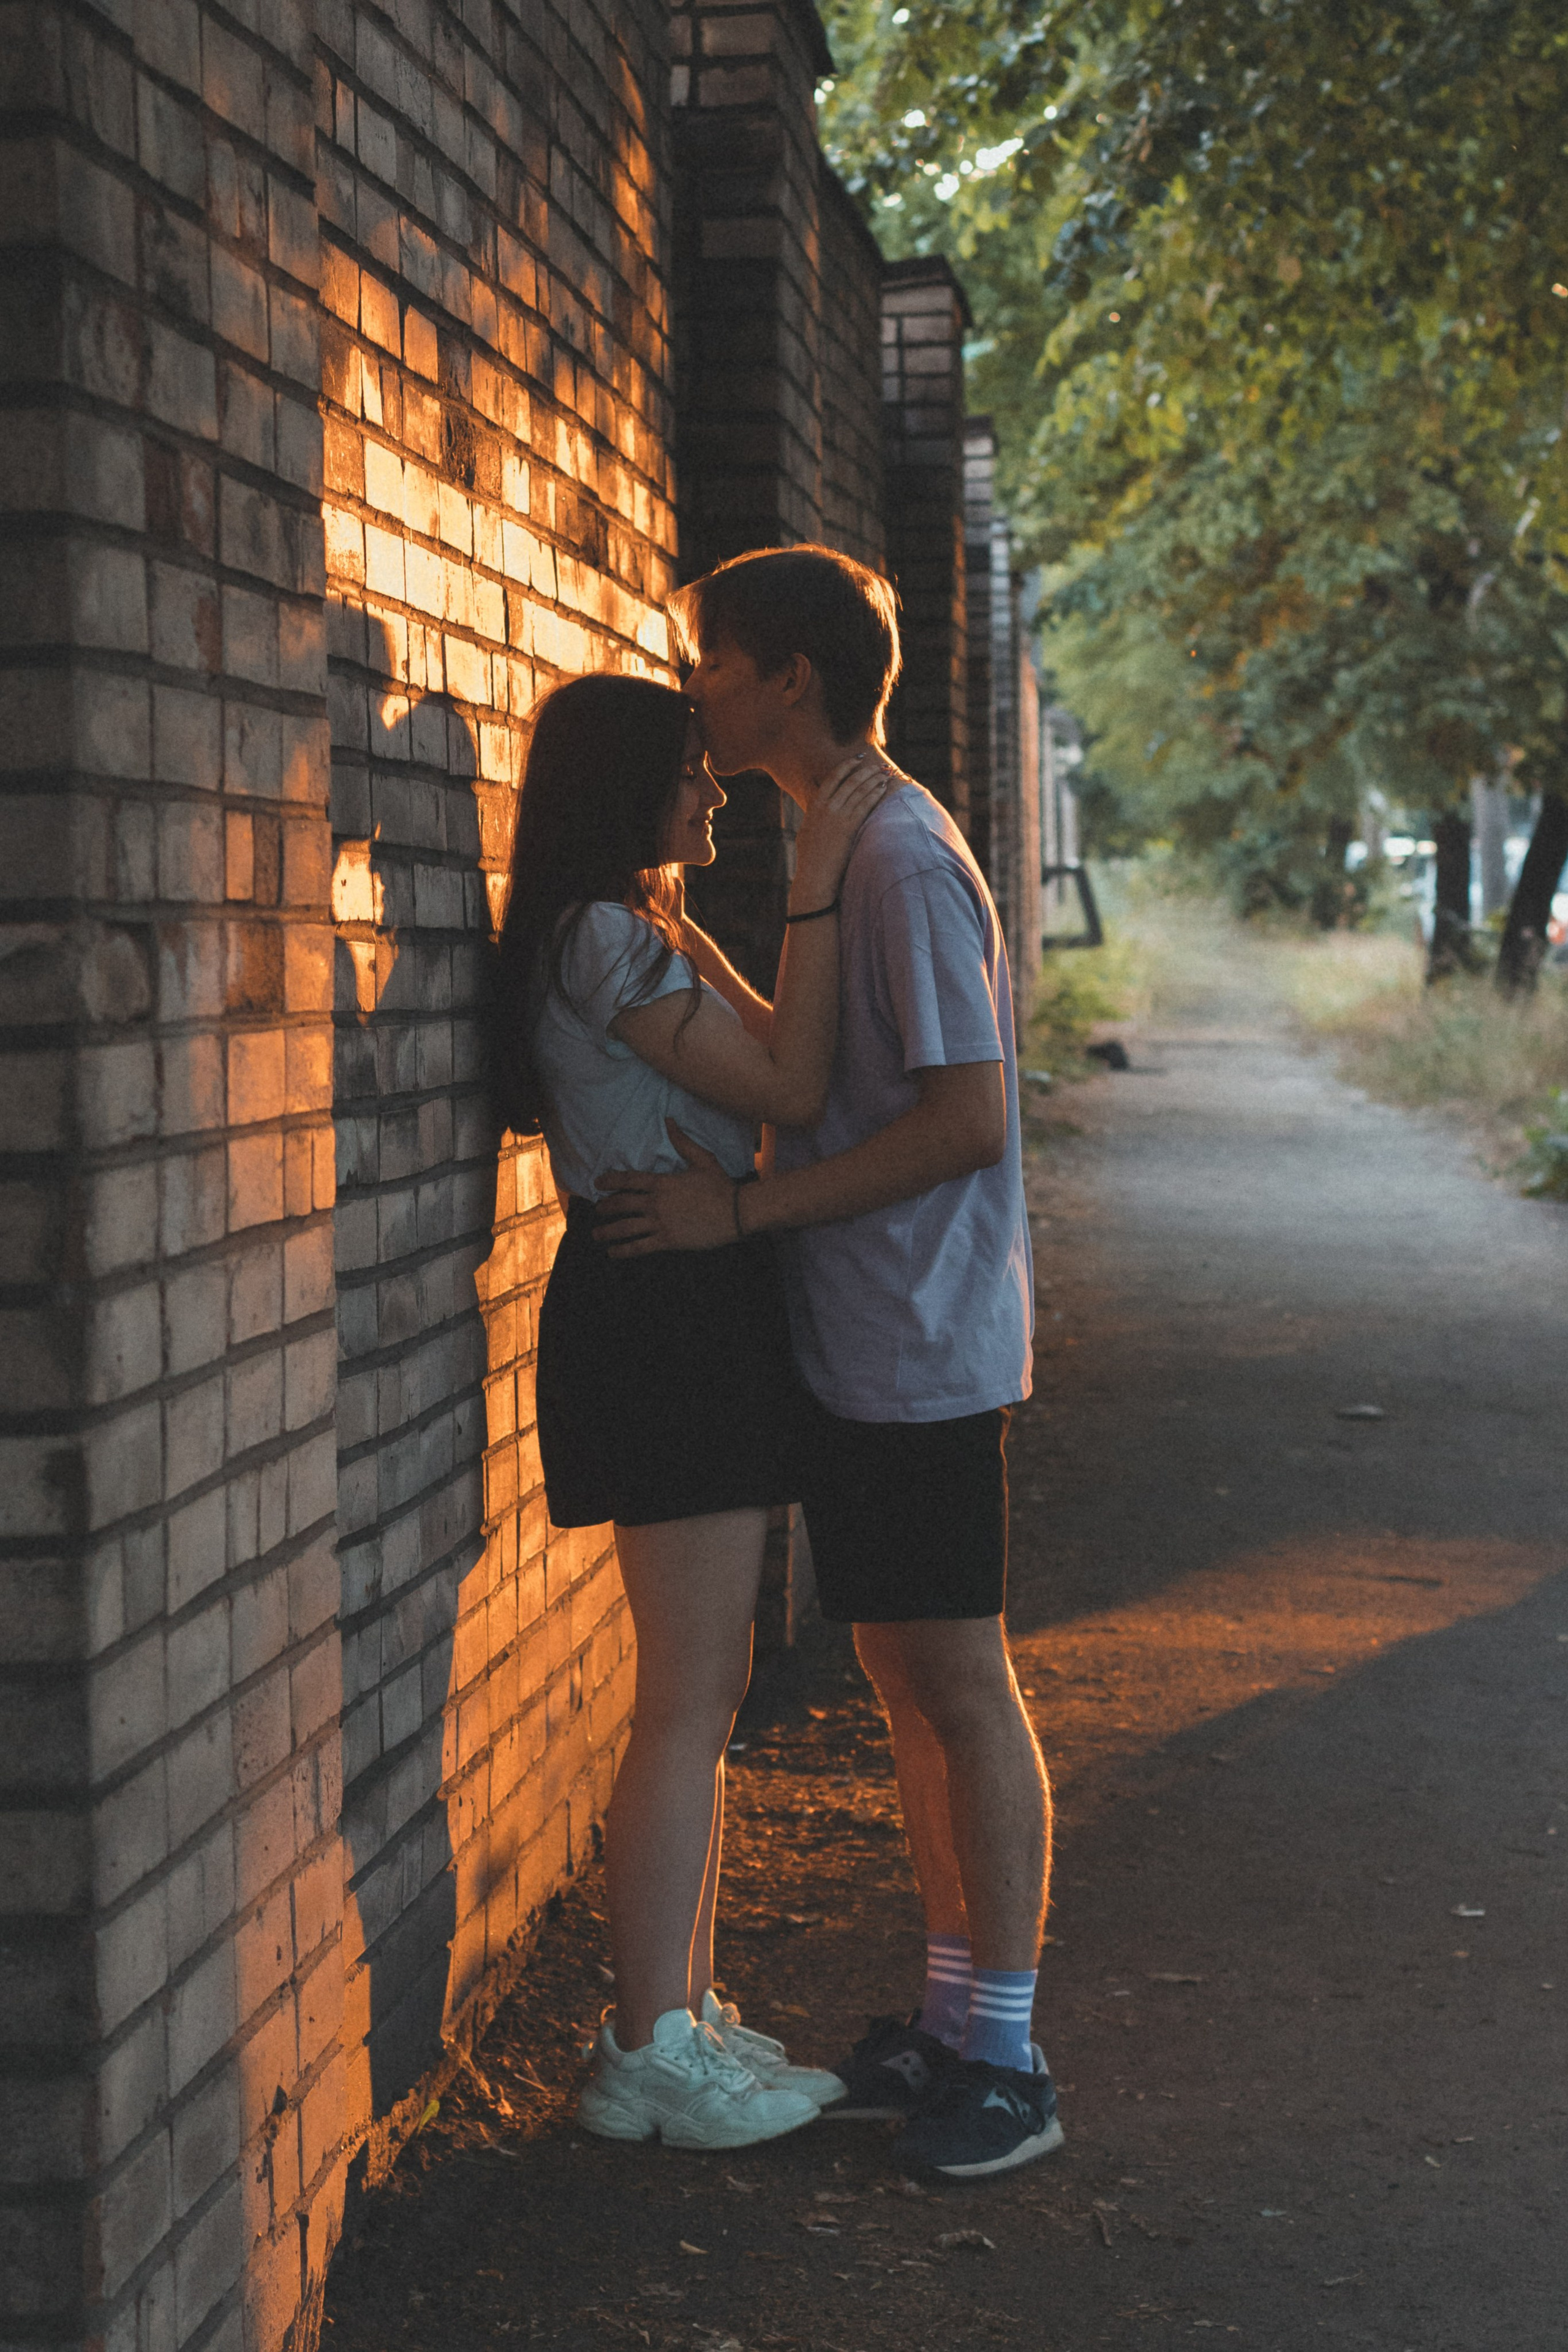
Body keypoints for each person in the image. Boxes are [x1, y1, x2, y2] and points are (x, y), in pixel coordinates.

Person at [595, 548, 1063, 2179]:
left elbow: (967, 1115)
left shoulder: (901, 857)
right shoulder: (832, 830)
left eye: (709, 660)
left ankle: (1005, 2057)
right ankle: (948, 2025)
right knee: (904, 1682)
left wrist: (747, 1212)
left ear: (786, 674)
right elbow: (816, 1063)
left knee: (958, 1683)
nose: (692, 686)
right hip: (865, 1338)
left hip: (923, 1339)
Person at [493, 671, 885, 2149]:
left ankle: (680, 2012)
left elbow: (778, 1064)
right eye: (688, 779)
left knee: (700, 1696)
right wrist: (825, 878)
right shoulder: (601, 936)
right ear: (621, 793)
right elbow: (799, 1071)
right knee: (681, 1701)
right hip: (659, 1319)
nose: (714, 795)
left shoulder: (632, 924)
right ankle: (644, 2046)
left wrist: (705, 913)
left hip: (688, 1313)